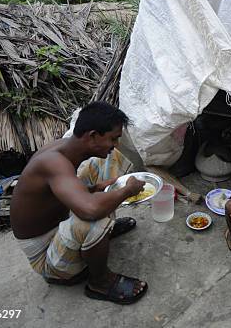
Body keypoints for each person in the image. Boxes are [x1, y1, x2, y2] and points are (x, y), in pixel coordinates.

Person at [10, 102, 148, 305]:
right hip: (46, 255)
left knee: (105, 160)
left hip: (59, 220)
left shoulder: (67, 148)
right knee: (95, 218)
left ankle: (99, 238)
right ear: (92, 135)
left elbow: (60, 193)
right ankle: (100, 283)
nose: (116, 143)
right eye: (113, 138)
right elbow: (90, 210)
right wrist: (126, 190)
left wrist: (95, 189)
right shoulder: (53, 162)